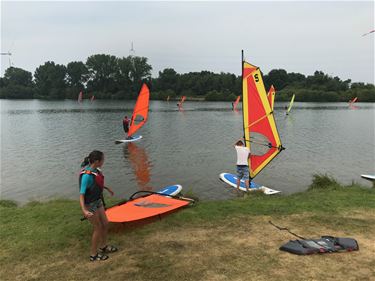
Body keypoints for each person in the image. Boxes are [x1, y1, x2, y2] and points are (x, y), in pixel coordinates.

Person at [79, 150, 117, 261]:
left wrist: (106, 188)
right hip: (89, 205)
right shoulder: (86, 176)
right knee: (98, 228)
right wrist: (84, 210)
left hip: (97, 201)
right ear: (97, 161)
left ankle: (103, 246)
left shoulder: (96, 170)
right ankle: (93, 254)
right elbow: (81, 194)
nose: (104, 161)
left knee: (105, 223)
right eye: (103, 159)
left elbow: (96, 183)